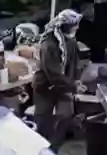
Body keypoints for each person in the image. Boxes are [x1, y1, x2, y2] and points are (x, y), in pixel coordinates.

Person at [36, 8, 84, 147]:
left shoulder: (71, 42)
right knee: (43, 120)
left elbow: (75, 64)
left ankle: (54, 147)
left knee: (66, 115)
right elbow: (53, 73)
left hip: (65, 85)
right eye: (75, 25)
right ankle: (41, 148)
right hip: (45, 86)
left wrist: (76, 80)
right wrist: (72, 85)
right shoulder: (49, 44)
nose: (78, 27)